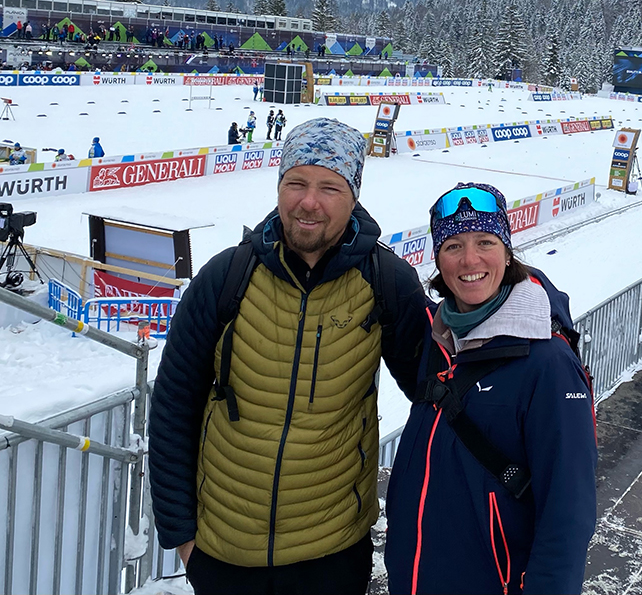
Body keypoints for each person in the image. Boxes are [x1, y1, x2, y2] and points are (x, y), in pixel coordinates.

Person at [148, 117, 426, 595]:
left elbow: (436, 389)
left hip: (332, 553)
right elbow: (173, 407)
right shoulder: (225, 278)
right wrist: (182, 537)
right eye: (296, 182)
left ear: (354, 195)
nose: (309, 202)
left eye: (330, 187)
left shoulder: (387, 282)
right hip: (224, 548)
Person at [384, 182, 597, 595]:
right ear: (438, 259)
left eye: (485, 241)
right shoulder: (441, 339)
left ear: (506, 251)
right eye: (453, 246)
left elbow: (567, 514)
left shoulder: (547, 363)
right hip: (415, 578)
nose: (470, 260)